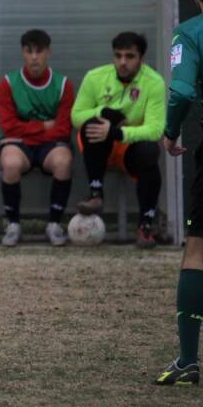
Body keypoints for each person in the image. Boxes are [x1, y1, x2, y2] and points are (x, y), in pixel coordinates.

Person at [155, 0, 203, 385]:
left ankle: (188, 359)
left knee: (198, 247)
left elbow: (181, 92)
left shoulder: (191, 32)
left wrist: (171, 131)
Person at [71, 31, 165, 246]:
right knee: (92, 126)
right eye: (118, 55)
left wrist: (118, 133)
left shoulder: (154, 82)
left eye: (130, 56)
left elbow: (155, 129)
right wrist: (104, 111)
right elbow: (76, 116)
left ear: (141, 58)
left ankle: (145, 227)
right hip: (97, 146)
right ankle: (95, 194)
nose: (122, 62)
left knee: (150, 152)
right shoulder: (94, 77)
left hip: (128, 148)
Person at [0, 29, 75, 247]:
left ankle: (54, 225)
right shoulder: (8, 83)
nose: (34, 57)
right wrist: (42, 126)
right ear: (22, 53)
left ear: (48, 53)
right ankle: (13, 225)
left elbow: (63, 128)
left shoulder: (63, 84)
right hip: (20, 146)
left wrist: (27, 128)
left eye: (39, 52)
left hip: (50, 146)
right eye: (29, 51)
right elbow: (8, 126)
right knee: (10, 163)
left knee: (63, 161)